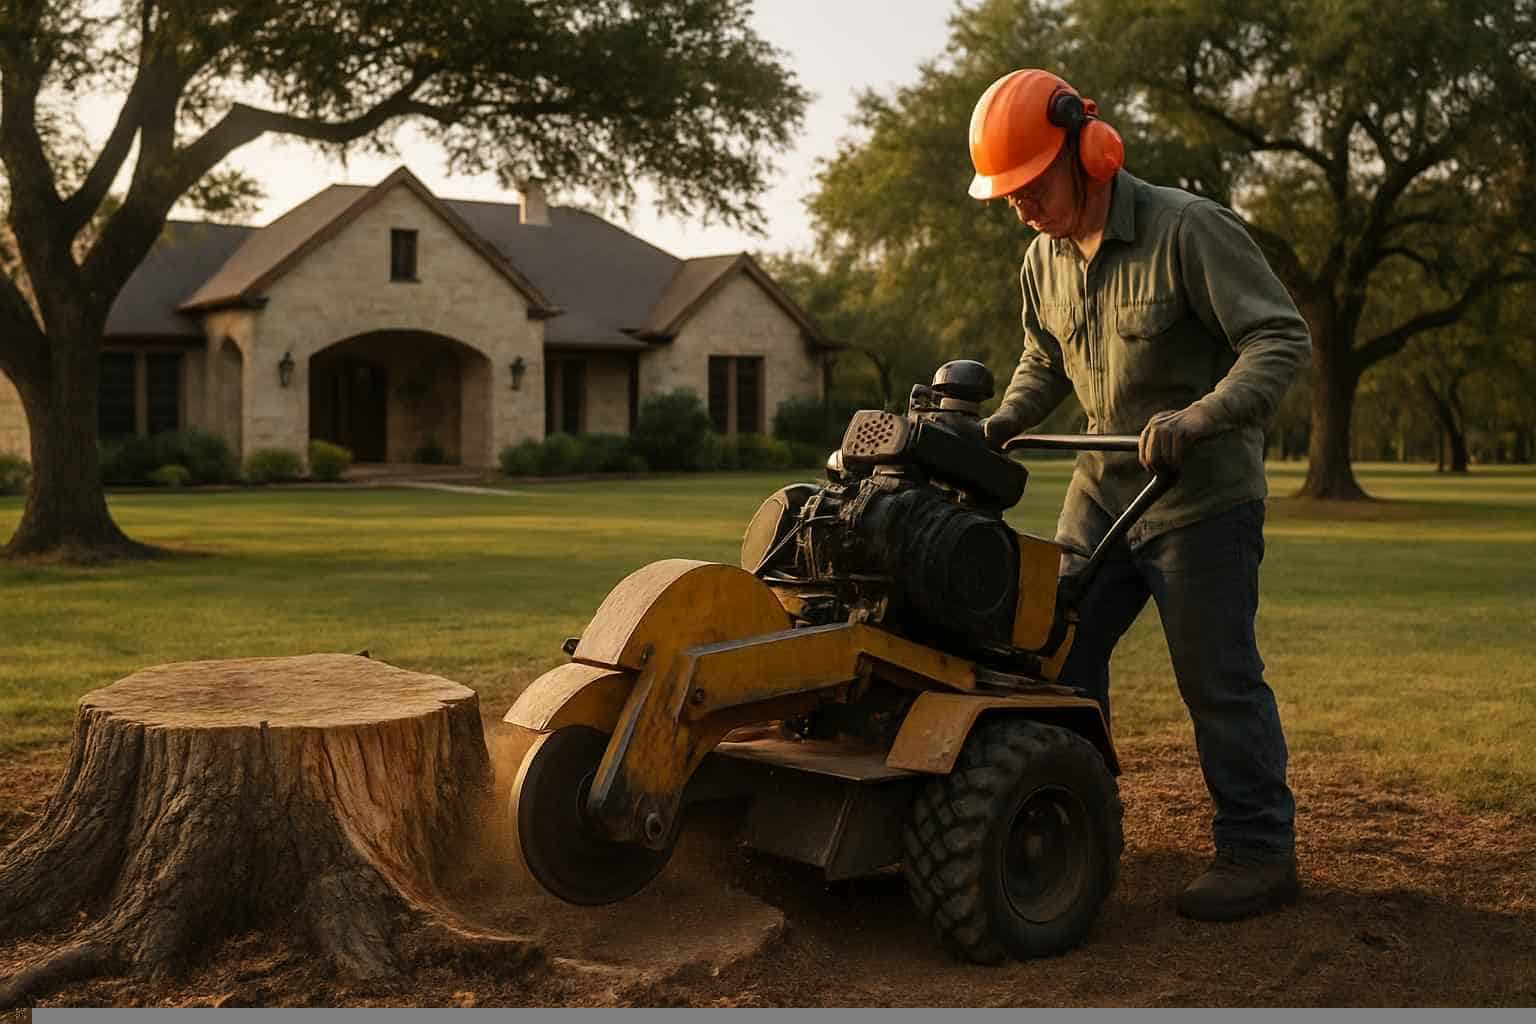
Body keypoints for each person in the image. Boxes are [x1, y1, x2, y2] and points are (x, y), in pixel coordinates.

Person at [967, 68, 1312, 921]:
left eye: (1030, 184)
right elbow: (1044, 361)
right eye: (1005, 192)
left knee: (1217, 679)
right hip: (1099, 493)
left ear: (1089, 152)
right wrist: (1004, 420)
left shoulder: (1188, 229)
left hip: (1202, 500)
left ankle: (1259, 852)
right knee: (1052, 658)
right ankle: (1074, 816)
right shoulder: (1040, 257)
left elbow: (1277, 337)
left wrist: (1201, 415)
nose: (1019, 205)